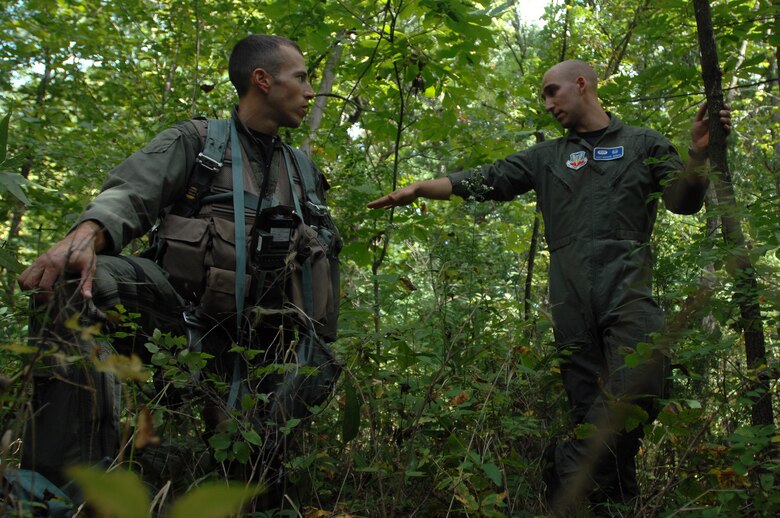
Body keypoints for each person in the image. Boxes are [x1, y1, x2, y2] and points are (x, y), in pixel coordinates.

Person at [368, 60, 731, 512]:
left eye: (551, 91)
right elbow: (490, 179)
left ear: (582, 85)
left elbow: (682, 203)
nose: (547, 103)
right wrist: (421, 188)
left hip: (627, 290)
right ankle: (616, 504)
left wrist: (698, 155)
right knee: (586, 411)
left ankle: (564, 474)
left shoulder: (643, 142)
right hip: (570, 299)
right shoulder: (546, 157)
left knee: (641, 383)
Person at [17, 34, 341, 499]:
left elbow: (323, 270)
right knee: (75, 280)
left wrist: (315, 358)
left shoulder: (304, 174)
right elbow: (130, 194)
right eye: (302, 78)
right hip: (179, 321)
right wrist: (83, 237)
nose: (311, 92)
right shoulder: (198, 143)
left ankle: (191, 471)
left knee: (254, 489)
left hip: (266, 350)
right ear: (263, 80)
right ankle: (63, 489)